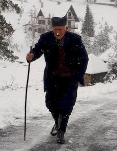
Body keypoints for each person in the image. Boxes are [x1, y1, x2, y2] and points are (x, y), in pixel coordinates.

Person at [26, 15, 88, 144]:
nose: (57, 32)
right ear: (52, 28)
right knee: (51, 104)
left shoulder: (75, 40)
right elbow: (38, 50)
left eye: (60, 29)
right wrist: (31, 56)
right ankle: (57, 123)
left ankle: (61, 132)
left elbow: (84, 58)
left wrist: (79, 76)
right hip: (53, 78)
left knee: (66, 106)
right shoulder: (46, 38)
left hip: (70, 79)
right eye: (55, 29)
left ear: (66, 28)